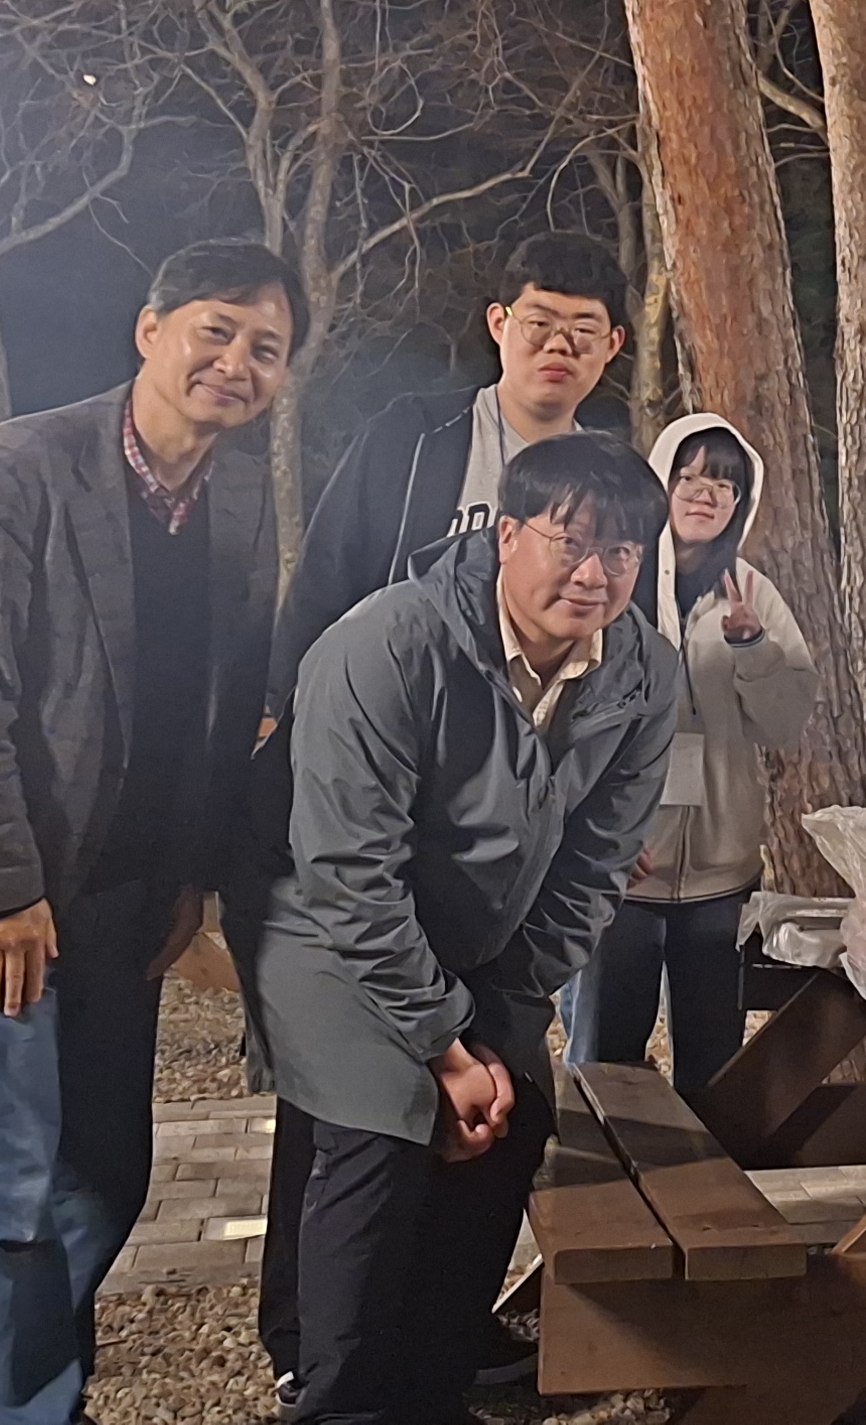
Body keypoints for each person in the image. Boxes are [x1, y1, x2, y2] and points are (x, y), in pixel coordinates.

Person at [0, 240, 299, 1425]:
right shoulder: (17, 472)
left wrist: (192, 879)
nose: (236, 362)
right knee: (0, 1200)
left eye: (265, 348)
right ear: (150, 330)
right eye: (215, 330)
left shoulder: (242, 495)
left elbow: (223, 704)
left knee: (106, 1174)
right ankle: (22, 1406)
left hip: (124, 895)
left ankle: (40, 1385)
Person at [254, 436, 681, 1425]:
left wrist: (499, 1024)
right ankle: (338, 1399)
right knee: (383, 1125)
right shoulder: (387, 645)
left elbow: (594, 866)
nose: (594, 574)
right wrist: (444, 1046)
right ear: (506, 535)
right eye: (571, 542)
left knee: (510, 1122)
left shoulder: (643, 674)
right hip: (330, 931)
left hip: (491, 941)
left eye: (622, 552)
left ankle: (432, 1388)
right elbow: (350, 871)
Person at [561, 415, 815, 1094]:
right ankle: (597, 1164)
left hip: (720, 872)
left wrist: (751, 646)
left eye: (725, 484)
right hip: (623, 869)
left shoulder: (751, 591)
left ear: (742, 502)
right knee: (605, 1059)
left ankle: (705, 1165)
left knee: (713, 1065)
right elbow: (566, 712)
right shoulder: (615, 579)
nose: (706, 493)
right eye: (690, 476)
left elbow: (786, 719)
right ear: (662, 484)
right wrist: (595, 834)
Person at [278, 233, 638, 691]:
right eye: (539, 323)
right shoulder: (414, 437)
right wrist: (287, 703)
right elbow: (324, 579)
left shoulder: (612, 481)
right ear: (499, 324)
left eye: (584, 331)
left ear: (612, 344)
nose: (559, 345)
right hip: (393, 702)